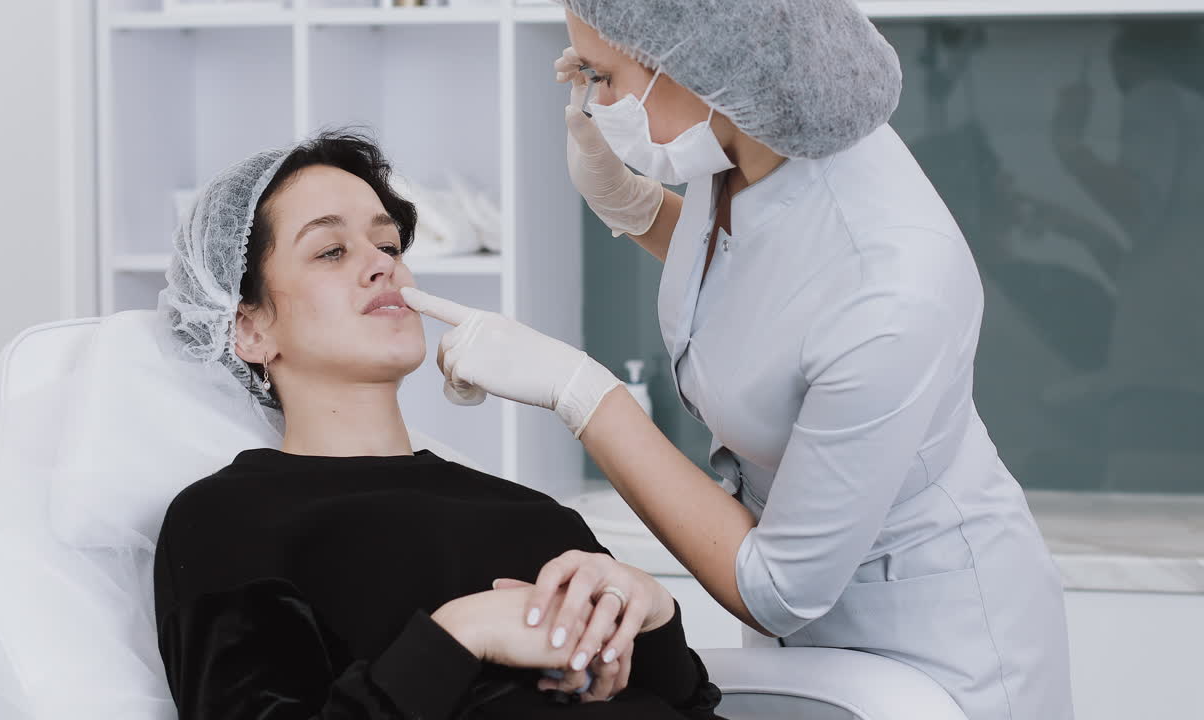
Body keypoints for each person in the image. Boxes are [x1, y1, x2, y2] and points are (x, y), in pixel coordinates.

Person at [398, 2, 1075, 718]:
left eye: (602, 76)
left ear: (697, 66)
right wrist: (631, 204)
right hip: (815, 642)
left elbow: (777, 589)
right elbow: (763, 280)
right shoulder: (750, 139)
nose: (593, 103)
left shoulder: (892, 290)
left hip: (936, 641)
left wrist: (583, 394)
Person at [152, 130, 726, 718]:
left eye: (390, 245)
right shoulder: (229, 520)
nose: (382, 264)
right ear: (248, 329)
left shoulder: (534, 515)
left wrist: (655, 616)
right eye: (331, 251)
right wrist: (458, 634)